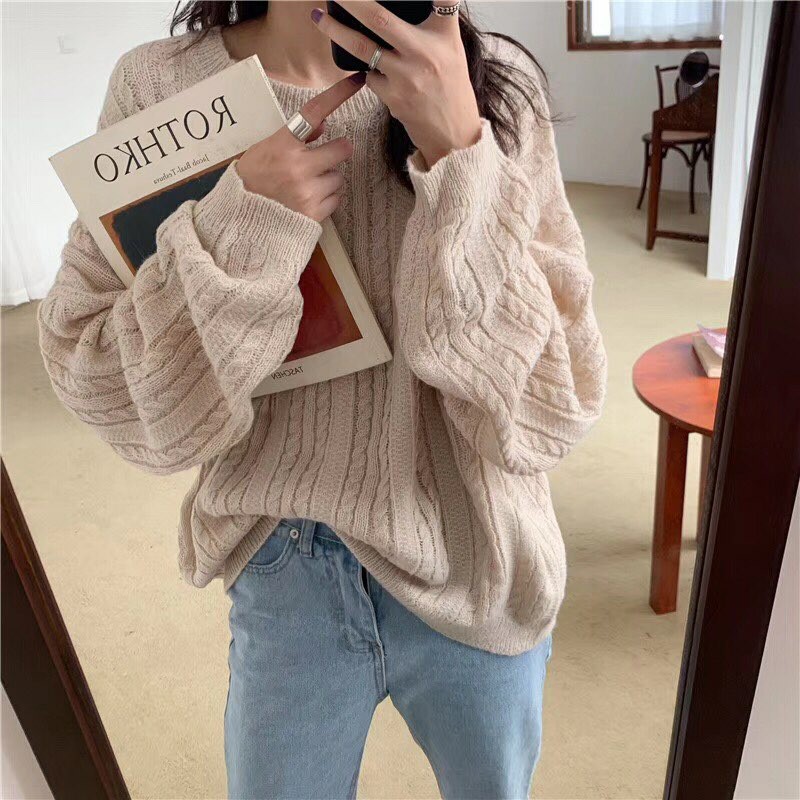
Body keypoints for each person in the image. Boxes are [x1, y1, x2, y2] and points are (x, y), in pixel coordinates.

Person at [38, 1, 607, 797]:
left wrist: (461, 153)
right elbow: (98, 376)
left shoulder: (492, 82)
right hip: (286, 561)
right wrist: (244, 223)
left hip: (478, 548)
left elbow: (551, 406)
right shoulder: (161, 87)